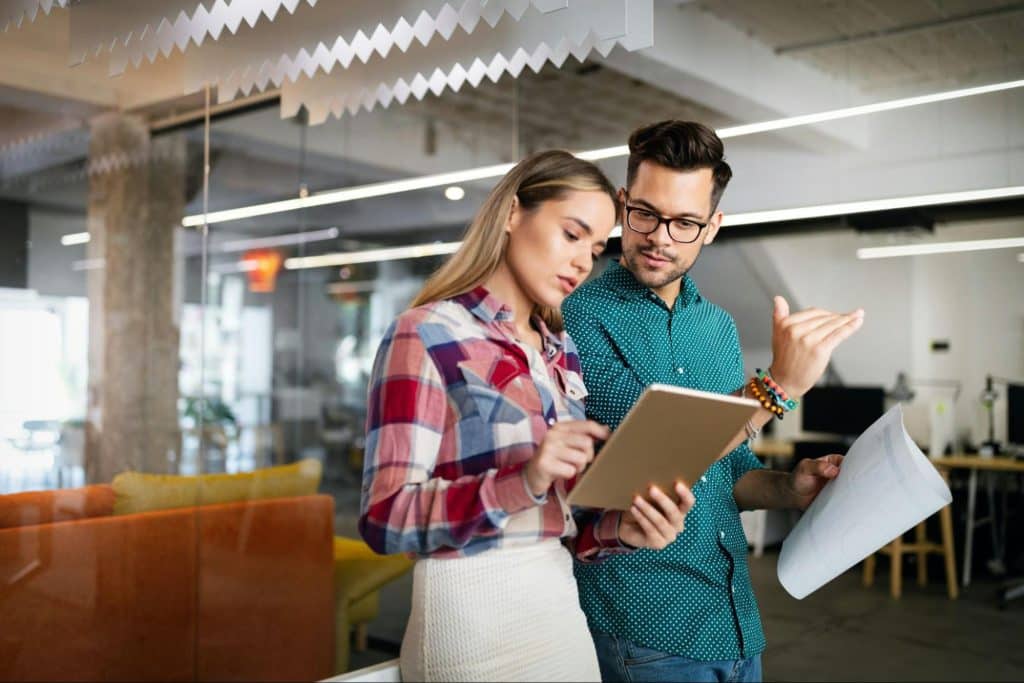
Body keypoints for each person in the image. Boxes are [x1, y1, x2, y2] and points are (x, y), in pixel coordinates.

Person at [359, 149, 697, 682]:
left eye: (596, 247)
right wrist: (526, 478)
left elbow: (561, 527)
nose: (585, 261)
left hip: (559, 613)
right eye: (572, 234)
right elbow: (385, 519)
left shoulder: (559, 351)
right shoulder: (425, 333)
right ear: (514, 214)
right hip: (468, 621)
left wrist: (622, 530)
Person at [562, 121, 866, 683]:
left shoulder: (718, 329)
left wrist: (788, 488)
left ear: (712, 227)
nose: (660, 238)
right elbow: (656, 457)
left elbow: (724, 472)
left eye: (685, 223)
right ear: (623, 205)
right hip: (644, 622)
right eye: (645, 213)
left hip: (733, 618)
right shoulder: (577, 318)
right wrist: (777, 387)